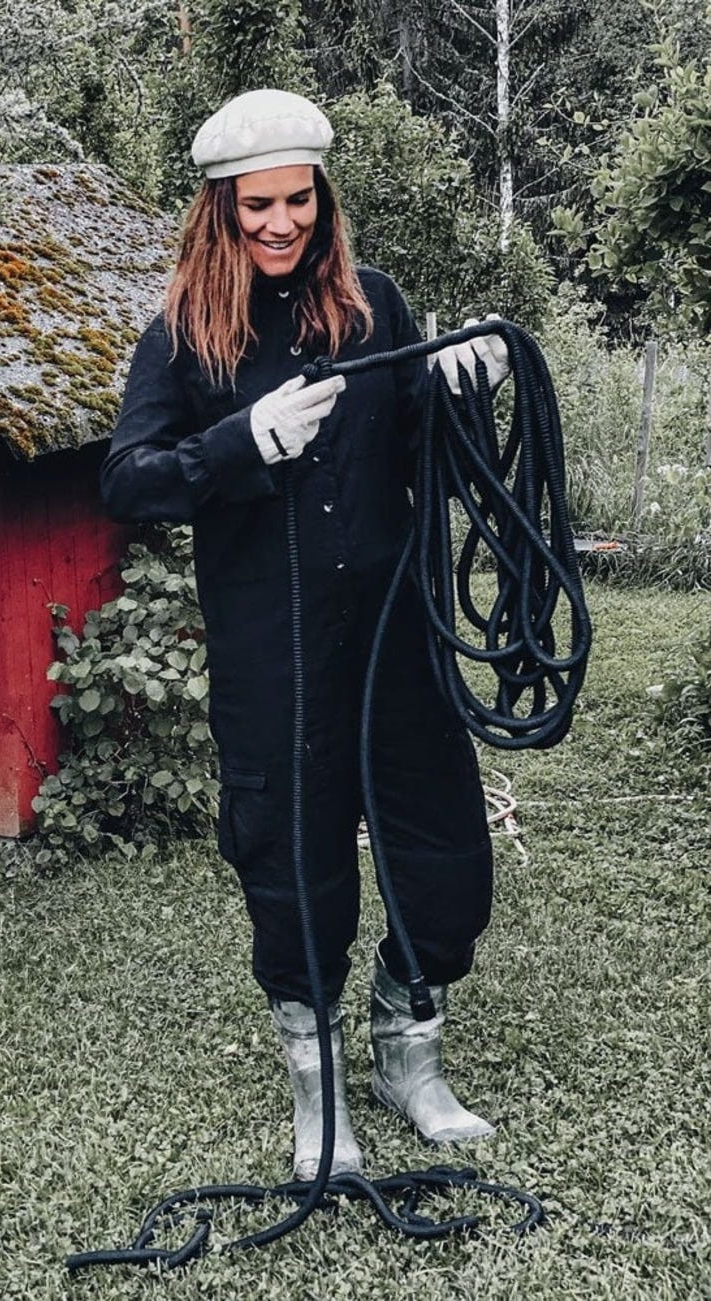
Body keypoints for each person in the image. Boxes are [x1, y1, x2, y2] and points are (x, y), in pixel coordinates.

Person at [100, 89, 509, 1181]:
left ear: (322, 199)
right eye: (256, 207)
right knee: (292, 867)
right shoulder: (182, 339)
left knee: (445, 858)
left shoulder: (376, 306)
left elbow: (422, 448)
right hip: (270, 652)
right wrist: (241, 441)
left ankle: (408, 1057)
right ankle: (318, 1091)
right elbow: (128, 480)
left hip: (395, 642)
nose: (279, 224)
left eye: (297, 202)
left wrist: (460, 389)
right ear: (220, 211)